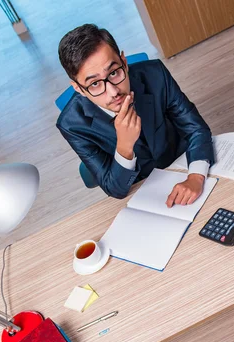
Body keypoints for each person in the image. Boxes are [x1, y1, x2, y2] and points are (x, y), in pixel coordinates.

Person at [57, 24, 214, 206]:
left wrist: (196, 176)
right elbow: (114, 188)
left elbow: (195, 128)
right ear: (78, 88)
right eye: (94, 84)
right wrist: (124, 146)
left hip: (183, 164)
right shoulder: (71, 124)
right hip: (140, 192)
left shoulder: (156, 74)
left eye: (114, 73)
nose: (113, 91)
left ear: (124, 62)